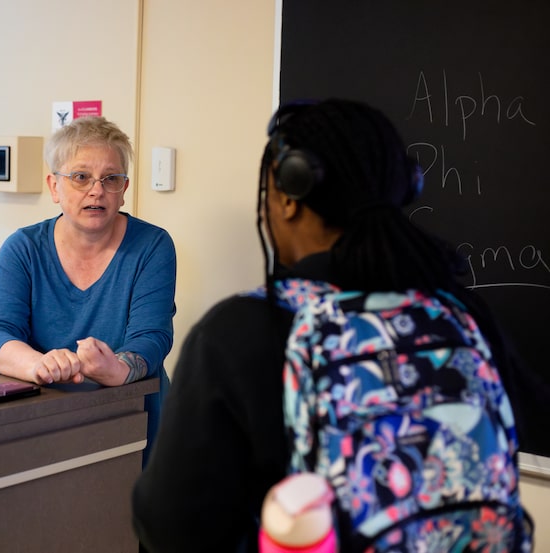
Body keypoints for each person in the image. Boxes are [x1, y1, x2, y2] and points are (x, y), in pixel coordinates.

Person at [131, 99, 545, 551]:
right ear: (407, 186)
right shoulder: (462, 312)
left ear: (288, 196)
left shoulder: (241, 330)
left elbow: (171, 525)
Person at [0, 116, 176, 461]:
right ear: (54, 187)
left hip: (133, 417)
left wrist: (116, 368)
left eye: (111, 178)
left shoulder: (152, 246)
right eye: (81, 177)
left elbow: (152, 336)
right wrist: (38, 365)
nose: (96, 190)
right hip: (46, 419)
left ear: (123, 190)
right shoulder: (22, 248)